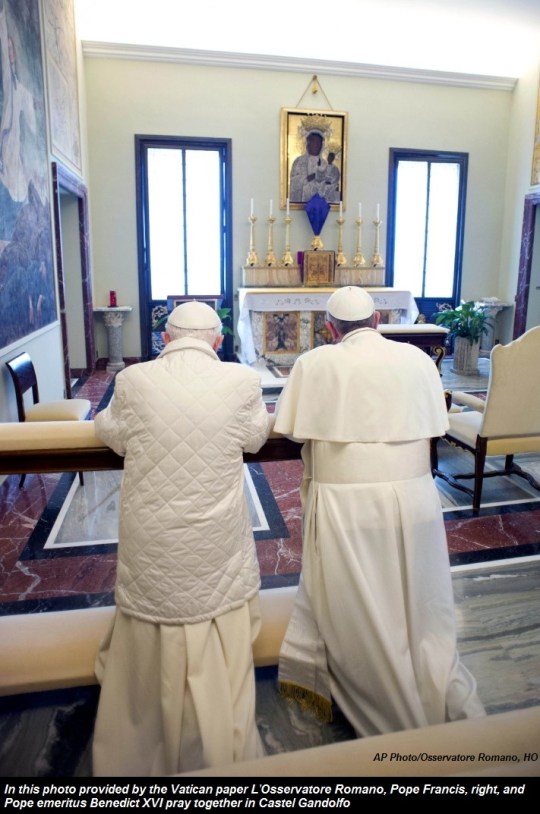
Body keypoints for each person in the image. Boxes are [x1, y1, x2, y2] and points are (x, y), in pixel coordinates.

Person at [273, 286, 485, 737]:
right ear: (377, 321)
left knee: (360, 607)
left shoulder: (315, 364)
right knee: (415, 596)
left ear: (330, 329)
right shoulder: (415, 360)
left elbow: (289, 431)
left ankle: (394, 715)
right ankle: (429, 682)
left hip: (347, 504)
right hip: (416, 498)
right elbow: (437, 423)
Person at [92, 300, 271, 776]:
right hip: (215, 543)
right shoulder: (242, 381)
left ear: (164, 339)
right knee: (215, 604)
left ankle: (141, 729)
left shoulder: (132, 381)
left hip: (152, 541)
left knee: (153, 609)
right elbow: (257, 437)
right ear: (217, 341)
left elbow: (108, 430)